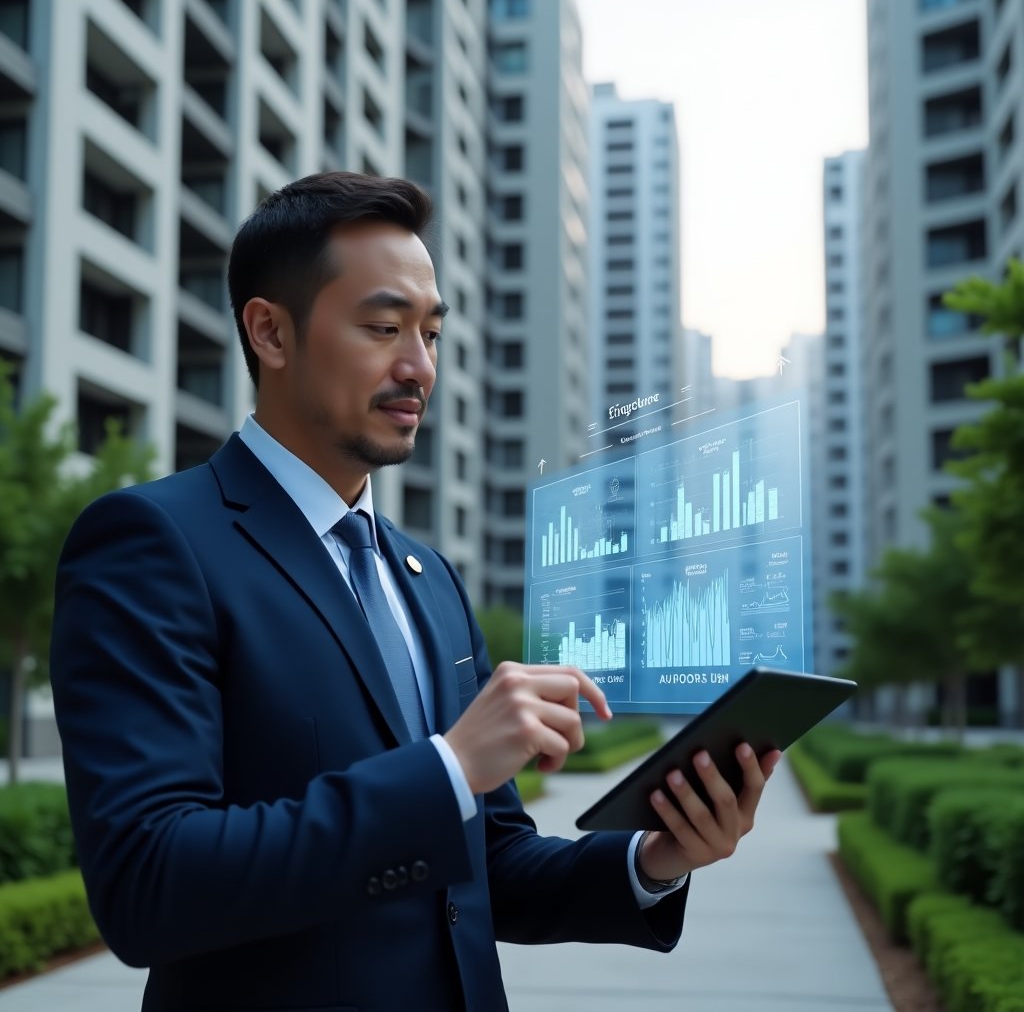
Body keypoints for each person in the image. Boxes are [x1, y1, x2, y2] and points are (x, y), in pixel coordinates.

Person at [50, 171, 780, 1012]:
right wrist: (450, 766)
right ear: (271, 332)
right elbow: (148, 883)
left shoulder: (427, 577)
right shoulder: (152, 543)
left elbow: (485, 865)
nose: (419, 367)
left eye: (431, 333)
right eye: (384, 327)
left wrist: (652, 859)